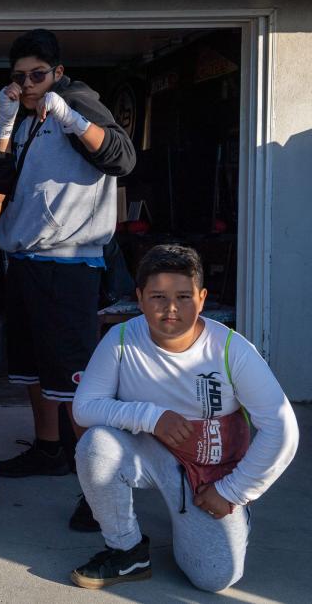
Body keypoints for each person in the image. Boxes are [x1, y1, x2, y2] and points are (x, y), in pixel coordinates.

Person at [70, 244, 298, 591]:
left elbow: (282, 429)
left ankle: (233, 519)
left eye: (183, 296)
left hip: (212, 474)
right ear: (140, 298)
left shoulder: (230, 349)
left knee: (214, 578)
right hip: (153, 455)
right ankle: (126, 550)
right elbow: (85, 408)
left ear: (203, 298)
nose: (171, 308)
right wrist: (152, 417)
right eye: (158, 296)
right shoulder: (120, 339)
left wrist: (233, 491)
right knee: (96, 446)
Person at [0, 30, 135, 528]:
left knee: (73, 380)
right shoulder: (27, 118)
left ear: (58, 72)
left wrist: (73, 117)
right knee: (31, 370)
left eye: (37, 74)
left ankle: (95, 483)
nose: (27, 84)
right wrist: (5, 124)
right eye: (19, 76)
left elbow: (121, 156)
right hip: (25, 260)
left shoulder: (78, 102)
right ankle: (48, 449)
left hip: (69, 263)